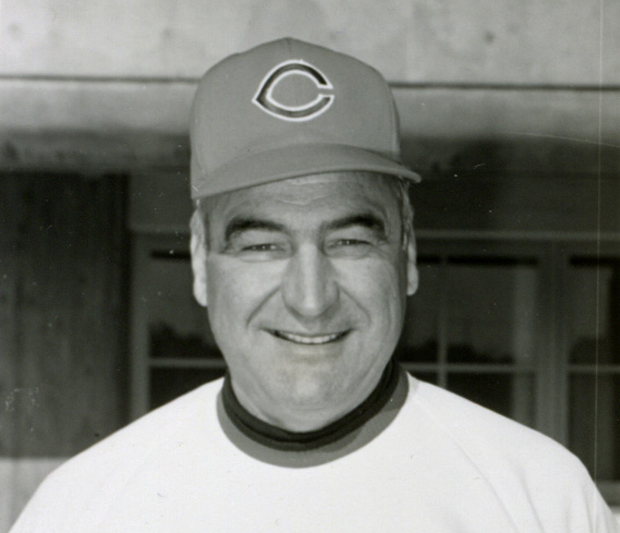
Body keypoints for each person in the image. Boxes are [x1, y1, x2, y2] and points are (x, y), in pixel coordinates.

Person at [10, 38, 618, 533]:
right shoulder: (80, 510)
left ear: (406, 251)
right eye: (262, 245)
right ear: (199, 259)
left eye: (349, 242)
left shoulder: (542, 498)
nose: (310, 299)